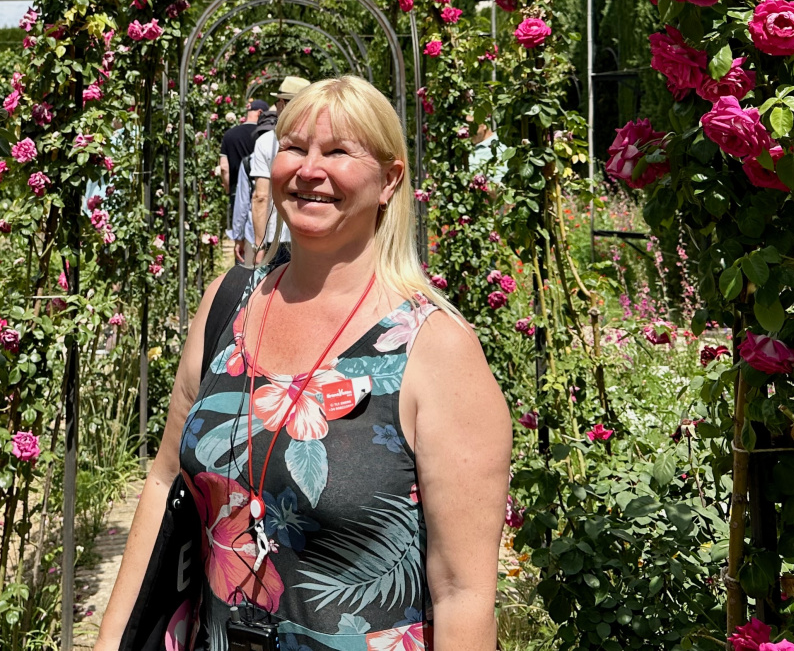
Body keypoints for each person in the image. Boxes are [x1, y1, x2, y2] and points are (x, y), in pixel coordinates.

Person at [96, 75, 511, 650]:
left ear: (390, 181)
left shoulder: (433, 349)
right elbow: (166, 479)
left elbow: (463, 593)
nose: (310, 169)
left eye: (339, 151)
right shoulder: (227, 306)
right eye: (294, 147)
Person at [249, 76, 309, 264]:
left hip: (277, 238)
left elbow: (261, 197)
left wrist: (259, 245)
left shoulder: (266, 142)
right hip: (315, 234)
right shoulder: (324, 141)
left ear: (282, 104)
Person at [220, 100, 265, 265]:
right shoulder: (265, 137)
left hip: (237, 192)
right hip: (263, 190)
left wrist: (228, 188)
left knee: (244, 246)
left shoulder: (230, 135)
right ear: (260, 113)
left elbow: (224, 167)